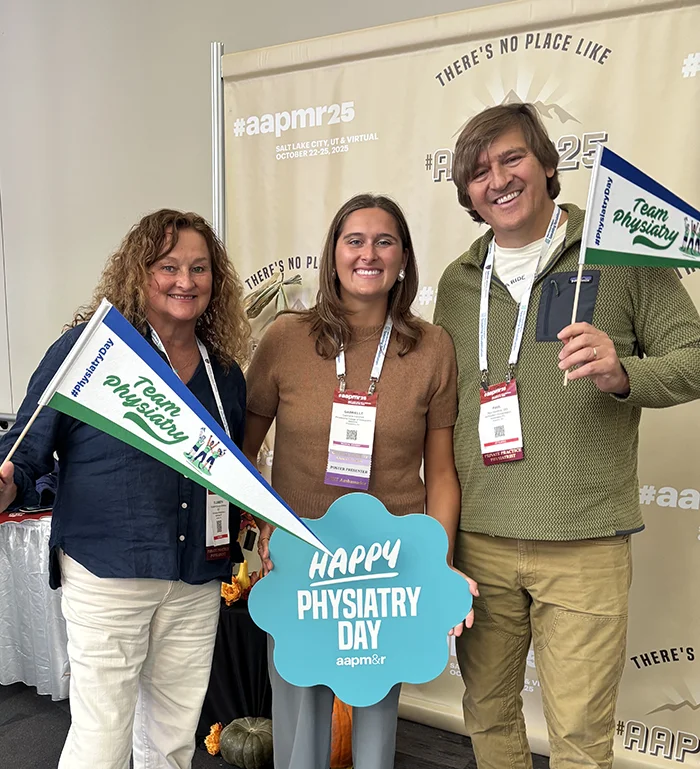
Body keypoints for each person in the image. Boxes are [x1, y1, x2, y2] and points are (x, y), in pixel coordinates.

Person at [434, 102, 700, 769]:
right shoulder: (457, 283)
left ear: (549, 165)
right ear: (467, 192)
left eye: (512, 157)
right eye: (479, 170)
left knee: (581, 737)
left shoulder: (622, 254)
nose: (497, 178)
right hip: (480, 542)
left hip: (583, 541)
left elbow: (694, 355)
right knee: (488, 716)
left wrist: (622, 373)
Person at [0, 209, 250, 769]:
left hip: (195, 577)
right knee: (101, 739)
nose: (185, 281)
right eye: (168, 267)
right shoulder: (87, 353)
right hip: (110, 570)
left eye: (200, 268)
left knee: (172, 740)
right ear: (140, 274)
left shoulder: (224, 373)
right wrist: (5, 483)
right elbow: (24, 451)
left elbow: (231, 468)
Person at [243, 193, 478, 769]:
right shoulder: (285, 340)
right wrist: (270, 525)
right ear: (333, 253)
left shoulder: (432, 348)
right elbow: (240, 455)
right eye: (355, 240)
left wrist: (438, 559)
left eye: (384, 241)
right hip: (303, 560)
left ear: (403, 258)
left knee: (376, 722)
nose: (368, 254)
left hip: (391, 561)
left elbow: (442, 472)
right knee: (300, 718)